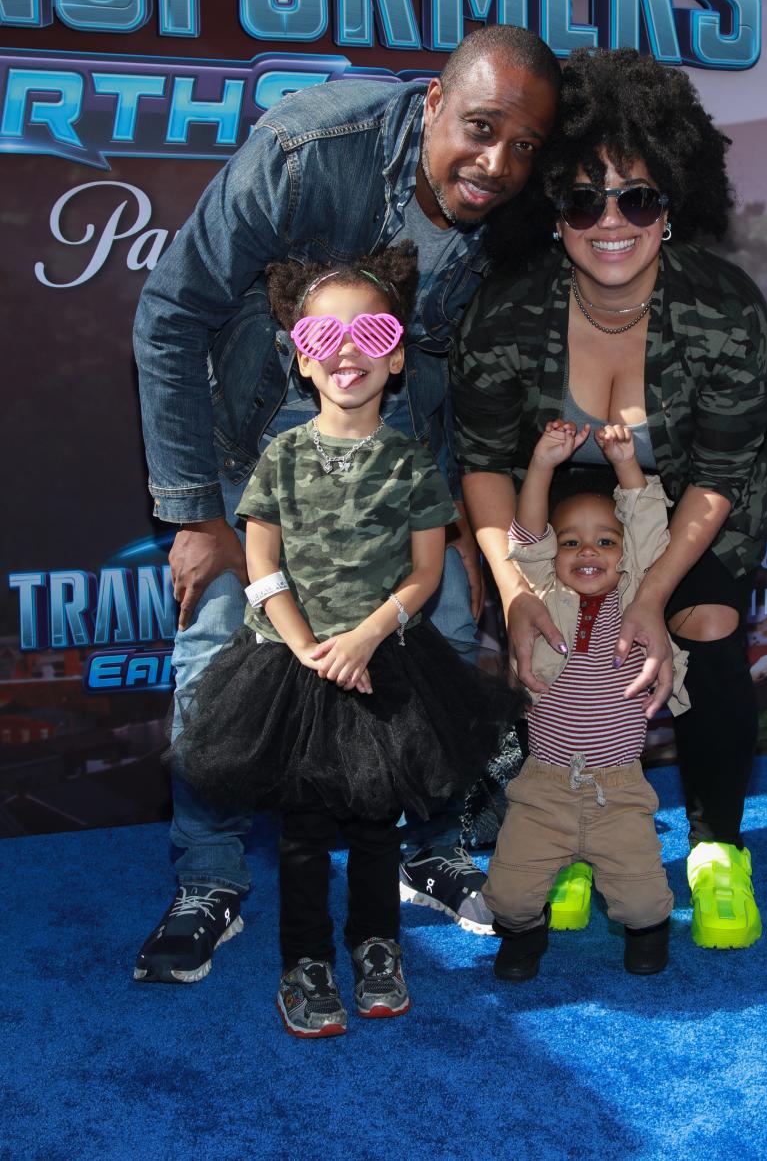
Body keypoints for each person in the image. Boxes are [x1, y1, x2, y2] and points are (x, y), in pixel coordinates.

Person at [132, 25, 559, 982]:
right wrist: (197, 511)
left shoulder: (514, 219)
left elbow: (464, 375)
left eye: (525, 145)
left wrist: (460, 527)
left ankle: (429, 852)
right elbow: (170, 315)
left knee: (443, 648)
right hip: (261, 441)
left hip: (405, 454)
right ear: (435, 102)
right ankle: (209, 882)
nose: (498, 163)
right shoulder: (308, 151)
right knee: (216, 662)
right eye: (481, 128)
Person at [452, 47, 767, 952]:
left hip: (690, 507)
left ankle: (718, 849)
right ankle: (557, 835)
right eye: (582, 198)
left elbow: (718, 476)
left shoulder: (725, 309)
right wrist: (518, 592)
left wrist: (648, 596)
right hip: (550, 502)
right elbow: (481, 460)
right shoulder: (509, 312)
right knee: (551, 626)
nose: (611, 221)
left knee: (706, 624)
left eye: (637, 197)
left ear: (672, 207)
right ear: (549, 212)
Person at [165, 247, 524, 1037]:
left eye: (371, 332)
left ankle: (376, 948)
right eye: (324, 338)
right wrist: (304, 648)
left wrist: (365, 637)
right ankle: (305, 964)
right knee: (300, 836)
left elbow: (427, 572)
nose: (348, 352)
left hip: (388, 662)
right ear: (300, 358)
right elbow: (260, 562)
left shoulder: (411, 462)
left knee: (373, 826)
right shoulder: (280, 458)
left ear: (397, 355)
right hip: (291, 673)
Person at [483, 420, 688, 981]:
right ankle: (526, 934)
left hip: (618, 789)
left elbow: (649, 526)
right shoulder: (544, 597)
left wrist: (626, 462)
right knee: (506, 895)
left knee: (644, 900)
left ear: (625, 556)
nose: (587, 550)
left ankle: (648, 932)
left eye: (605, 540)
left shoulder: (637, 597)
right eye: (570, 541)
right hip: (544, 785)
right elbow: (523, 538)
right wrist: (542, 464)